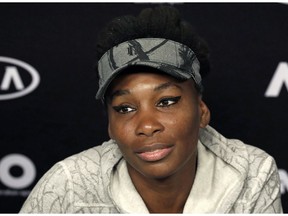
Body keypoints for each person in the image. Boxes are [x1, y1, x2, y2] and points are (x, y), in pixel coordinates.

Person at [19, 6, 282, 213]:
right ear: (110, 126)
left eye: (166, 101)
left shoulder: (253, 173)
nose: (146, 125)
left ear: (202, 111)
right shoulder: (69, 185)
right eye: (125, 108)